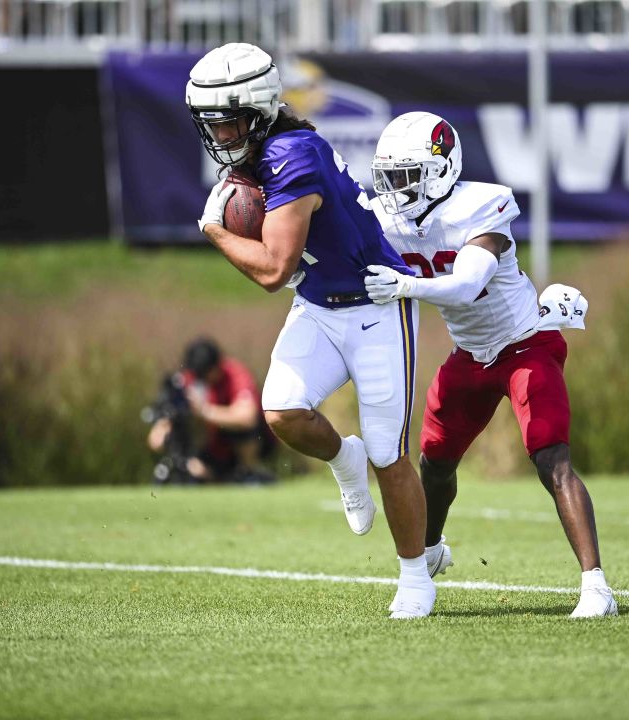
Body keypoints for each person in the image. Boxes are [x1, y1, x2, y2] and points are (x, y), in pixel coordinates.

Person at [186, 43, 435, 619]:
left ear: (257, 111)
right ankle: (343, 461)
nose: (218, 135)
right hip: (320, 303)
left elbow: (274, 268)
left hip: (377, 303)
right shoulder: (258, 158)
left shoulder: (293, 153)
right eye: (211, 124)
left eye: (225, 121)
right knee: (281, 411)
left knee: (388, 452)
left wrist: (215, 230)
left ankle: (416, 576)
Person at [364, 112, 618, 618]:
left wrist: (406, 286)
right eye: (388, 177)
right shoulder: (392, 218)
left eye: (405, 176)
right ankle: (431, 549)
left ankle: (596, 586)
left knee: (551, 458)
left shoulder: (481, 206)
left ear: (440, 169)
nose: (395, 190)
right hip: (471, 354)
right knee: (434, 463)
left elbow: (467, 284)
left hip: (527, 343)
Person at [144, 338, 276, 485]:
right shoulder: (189, 377)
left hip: (243, 443)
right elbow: (172, 411)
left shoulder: (234, 373)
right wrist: (162, 426)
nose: (201, 380)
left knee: (242, 429)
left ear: (217, 366)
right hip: (208, 447)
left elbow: (247, 418)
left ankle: (247, 472)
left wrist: (205, 411)